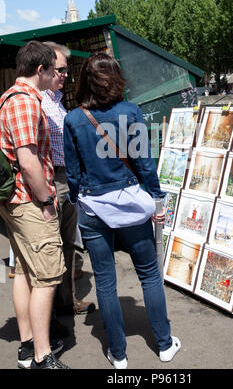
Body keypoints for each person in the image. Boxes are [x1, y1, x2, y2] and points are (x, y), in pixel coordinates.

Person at [63, 52, 181, 369]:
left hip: (92, 209)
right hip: (130, 205)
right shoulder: (131, 112)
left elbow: (72, 172)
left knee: (105, 282)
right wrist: (156, 200)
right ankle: (165, 345)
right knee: (150, 277)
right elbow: (144, 164)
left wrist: (78, 198)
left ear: (84, 81)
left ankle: (118, 353)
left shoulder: (73, 119)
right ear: (116, 79)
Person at [0, 41, 69, 369]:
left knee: (25, 273)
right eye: (53, 70)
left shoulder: (8, 97)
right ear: (40, 70)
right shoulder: (26, 103)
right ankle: (43, 356)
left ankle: (29, 346)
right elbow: (28, 161)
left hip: (14, 201)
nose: (57, 75)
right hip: (29, 201)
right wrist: (45, 200)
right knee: (46, 276)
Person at [41, 41, 95, 323]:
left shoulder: (55, 102)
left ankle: (65, 304)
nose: (65, 75)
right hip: (52, 180)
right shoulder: (39, 101)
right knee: (53, 247)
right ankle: (52, 315)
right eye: (61, 69)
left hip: (65, 179)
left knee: (66, 244)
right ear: (46, 68)